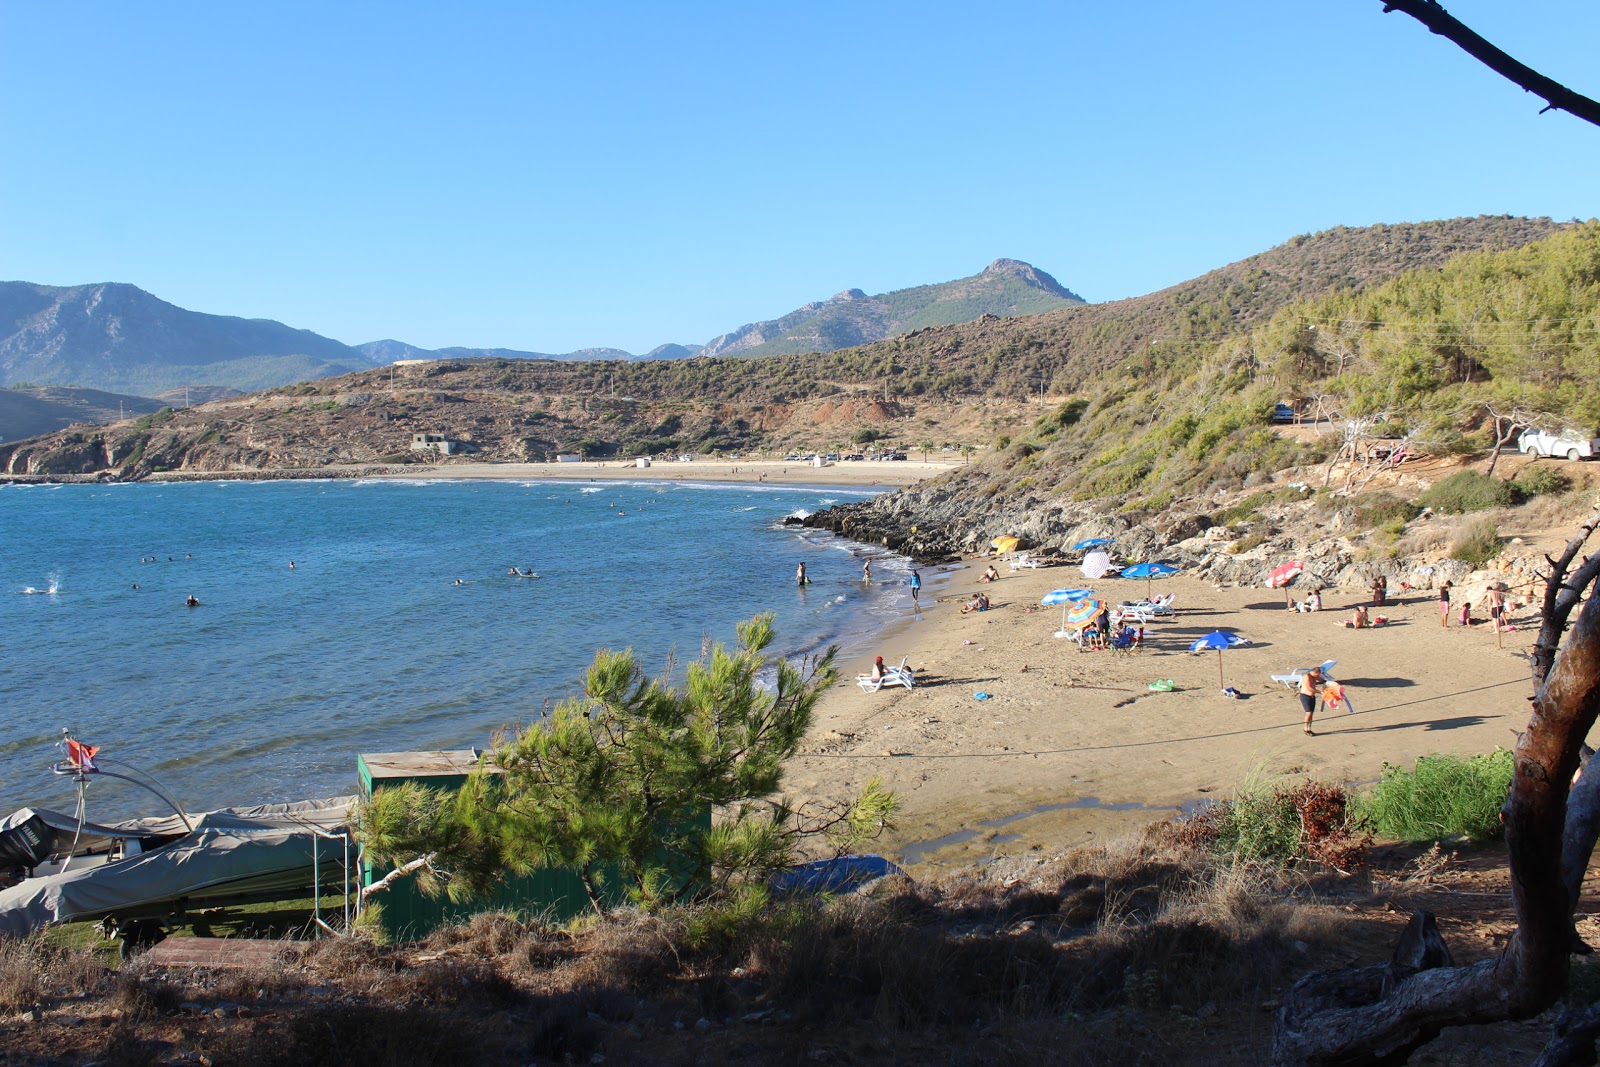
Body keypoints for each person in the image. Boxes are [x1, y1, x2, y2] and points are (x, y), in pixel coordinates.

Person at [1300, 666, 1324, 735]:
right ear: (1314, 672)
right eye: (1317, 674)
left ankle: (1309, 728)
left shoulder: (1316, 676)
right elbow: (1309, 688)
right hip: (1305, 696)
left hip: (1312, 697)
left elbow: (1322, 680)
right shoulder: (1307, 677)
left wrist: (1330, 683)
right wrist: (1320, 692)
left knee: (1311, 713)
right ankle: (1305, 728)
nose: (1318, 676)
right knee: (1308, 712)